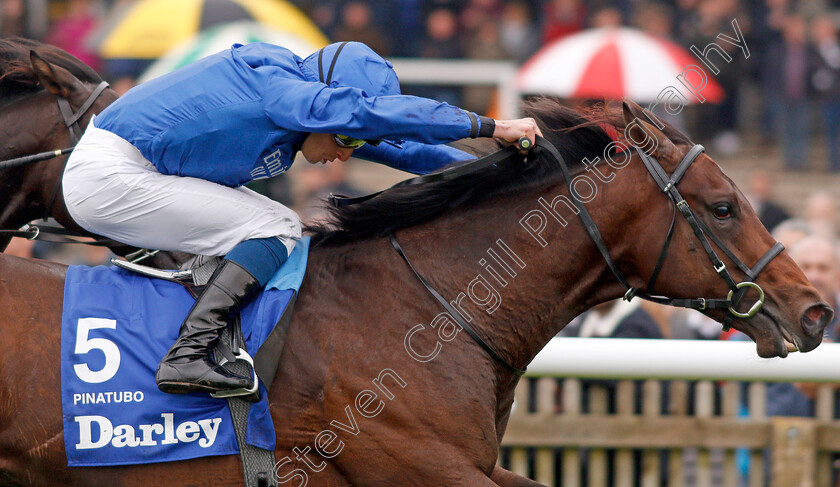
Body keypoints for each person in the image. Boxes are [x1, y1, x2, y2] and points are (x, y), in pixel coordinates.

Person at [60, 41, 541, 396]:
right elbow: (367, 116)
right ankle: (188, 356)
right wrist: (493, 126)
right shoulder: (281, 91)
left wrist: (494, 174)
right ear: (326, 106)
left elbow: (404, 148)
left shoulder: (302, 100)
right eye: (345, 139)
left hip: (125, 171)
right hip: (110, 175)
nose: (344, 156)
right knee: (278, 225)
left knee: (268, 221)